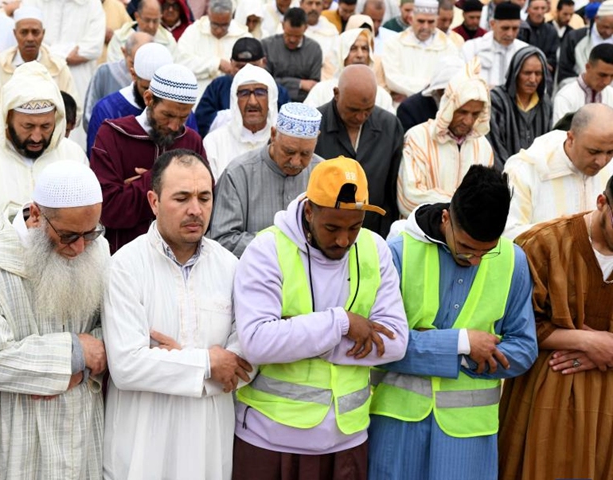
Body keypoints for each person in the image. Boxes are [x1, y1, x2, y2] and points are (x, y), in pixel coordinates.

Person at [232, 156, 409, 480]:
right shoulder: (267, 249)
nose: (343, 239)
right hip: (270, 437)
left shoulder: (375, 248)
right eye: (332, 228)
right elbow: (257, 342)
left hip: (348, 437)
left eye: (354, 227)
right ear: (310, 210)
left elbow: (395, 343)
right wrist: (343, 324)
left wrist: (296, 335)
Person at [369, 165, 538, 480]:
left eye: (484, 253)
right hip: (397, 424)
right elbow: (381, 342)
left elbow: (525, 349)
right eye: (466, 249)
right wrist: (465, 344)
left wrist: (432, 347)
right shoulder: (398, 252)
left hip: (469, 437)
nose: (474, 260)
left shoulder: (513, 260)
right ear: (446, 218)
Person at [0, 160, 108, 479]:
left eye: (90, 233)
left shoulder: (97, 249)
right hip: (16, 439)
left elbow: (109, 330)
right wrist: (74, 354)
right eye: (68, 236)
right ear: (36, 215)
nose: (80, 248)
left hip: (83, 432)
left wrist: (83, 365)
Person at [103, 149, 253, 479]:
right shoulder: (125, 267)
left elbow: (242, 366)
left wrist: (172, 362)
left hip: (208, 450)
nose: (195, 210)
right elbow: (127, 367)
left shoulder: (231, 267)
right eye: (181, 198)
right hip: (141, 450)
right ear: (154, 201)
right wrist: (207, 363)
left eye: (204, 197)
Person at [498, 174, 613, 480]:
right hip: (546, 396)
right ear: (602, 203)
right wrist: (590, 342)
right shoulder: (543, 244)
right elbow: (509, 324)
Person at [0, 61, 87, 266]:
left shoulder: (72, 155)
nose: (37, 137)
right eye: (27, 126)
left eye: (46, 126)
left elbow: (90, 226)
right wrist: (18, 228)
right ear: (7, 118)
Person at [90, 63, 206, 254]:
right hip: (124, 257)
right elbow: (109, 210)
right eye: (167, 115)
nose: (174, 126)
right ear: (149, 99)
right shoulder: (112, 135)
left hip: (180, 257)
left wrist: (140, 185)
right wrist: (168, 183)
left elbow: (203, 204)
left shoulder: (191, 141)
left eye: (183, 118)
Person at [210, 102, 322, 256]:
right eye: (288, 151)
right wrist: (281, 245)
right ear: (273, 135)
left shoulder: (323, 173)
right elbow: (222, 240)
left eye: (305, 154)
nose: (296, 162)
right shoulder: (238, 173)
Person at [315, 64, 404, 237]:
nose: (360, 117)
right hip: (324, 234)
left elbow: (392, 192)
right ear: (336, 94)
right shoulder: (315, 125)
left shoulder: (390, 126)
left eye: (368, 110)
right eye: (353, 110)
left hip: (375, 233)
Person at [398, 61, 495, 217]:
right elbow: (409, 199)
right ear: (448, 107)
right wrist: (462, 204)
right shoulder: (417, 138)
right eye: (462, 112)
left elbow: (486, 200)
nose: (468, 121)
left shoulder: (483, 147)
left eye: (475, 114)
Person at [503, 104, 613, 239]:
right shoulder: (526, 170)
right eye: (593, 152)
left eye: (610, 152)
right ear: (571, 139)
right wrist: (557, 231)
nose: (602, 162)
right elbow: (507, 235)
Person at [0, 6, 78, 113]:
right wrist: (14, 120)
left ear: (43, 33)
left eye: (35, 32)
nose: (30, 38)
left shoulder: (58, 66)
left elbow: (72, 109)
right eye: (24, 32)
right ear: (15, 33)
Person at [86, 42, 175, 153]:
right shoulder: (107, 110)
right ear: (133, 74)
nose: (153, 101)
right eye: (147, 89)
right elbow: (98, 162)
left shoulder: (181, 113)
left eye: (162, 93)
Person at [196, 37, 290, 137]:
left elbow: (287, 127)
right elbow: (201, 121)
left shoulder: (276, 91)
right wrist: (232, 116)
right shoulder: (218, 86)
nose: (247, 71)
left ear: (264, 62)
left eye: (254, 66)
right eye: (240, 67)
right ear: (231, 63)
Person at [21, 0, 105, 111]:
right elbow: (24, 34)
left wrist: (48, 52)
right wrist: (68, 51)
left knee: (74, 117)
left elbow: (94, 47)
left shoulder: (92, 3)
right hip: (41, 71)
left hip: (78, 76)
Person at [204, 64, 278, 179]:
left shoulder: (283, 142)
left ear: (271, 97)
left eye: (260, 93)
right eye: (244, 93)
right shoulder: (214, 142)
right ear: (235, 99)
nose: (252, 102)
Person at [382, 0, 460, 101]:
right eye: (421, 21)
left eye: (431, 22)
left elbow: (451, 81)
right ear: (411, 19)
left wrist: (409, 94)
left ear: (437, 20)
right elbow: (392, 79)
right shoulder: (394, 44)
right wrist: (431, 89)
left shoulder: (448, 46)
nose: (425, 27)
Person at [304, 25, 394, 110]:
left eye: (364, 49)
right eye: (353, 48)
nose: (360, 55)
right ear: (341, 54)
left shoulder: (382, 96)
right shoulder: (321, 91)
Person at [489, 46, 552, 166]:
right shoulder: (497, 100)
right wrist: (509, 177)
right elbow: (494, 146)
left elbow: (548, 147)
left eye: (538, 73)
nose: (533, 79)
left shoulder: (545, 104)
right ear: (515, 72)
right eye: (527, 73)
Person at [82, 32, 152, 134]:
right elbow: (89, 116)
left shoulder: (155, 80)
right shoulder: (104, 72)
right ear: (124, 52)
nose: (137, 71)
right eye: (133, 63)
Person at [176, 0, 251, 94]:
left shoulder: (243, 36)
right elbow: (181, 63)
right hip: (197, 96)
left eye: (224, 25)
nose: (219, 31)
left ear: (231, 17)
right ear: (209, 14)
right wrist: (217, 64)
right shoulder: (193, 32)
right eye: (215, 25)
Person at [262, 8, 322, 102]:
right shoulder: (267, 46)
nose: (292, 40)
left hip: (304, 103)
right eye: (288, 35)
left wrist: (280, 82)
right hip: (272, 100)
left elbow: (313, 87)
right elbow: (265, 82)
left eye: (297, 36)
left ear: (306, 28)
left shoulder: (314, 50)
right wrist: (300, 84)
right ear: (282, 25)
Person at [462, 1, 527, 88]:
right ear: (492, 24)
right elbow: (461, 82)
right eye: (505, 28)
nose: (510, 34)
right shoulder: (472, 48)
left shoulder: (524, 51)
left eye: (515, 28)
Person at [396, 55, 465, 131]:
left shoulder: (472, 107)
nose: (451, 95)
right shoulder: (410, 108)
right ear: (437, 88)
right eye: (446, 90)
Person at [552, 43, 613, 126]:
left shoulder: (611, 94)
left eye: (612, 76)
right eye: (602, 75)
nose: (607, 81)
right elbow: (560, 136)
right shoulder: (565, 97)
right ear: (588, 67)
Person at [557, 0, 613, 87]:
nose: (609, 32)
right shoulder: (575, 38)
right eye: (606, 27)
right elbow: (564, 73)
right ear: (596, 18)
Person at [107, 0, 178, 63]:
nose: (151, 26)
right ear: (137, 16)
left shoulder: (168, 41)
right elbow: (114, 70)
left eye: (155, 21)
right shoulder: (120, 38)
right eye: (147, 20)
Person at [299, 0, 340, 79]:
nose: (314, 8)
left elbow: (334, 62)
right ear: (301, 4)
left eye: (318, 4)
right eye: (310, 3)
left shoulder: (331, 30)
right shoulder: (290, 26)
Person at [517, 0, 558, 73]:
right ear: (528, 9)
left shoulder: (551, 31)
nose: (539, 12)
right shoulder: (520, 29)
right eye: (536, 8)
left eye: (543, 8)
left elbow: (554, 57)